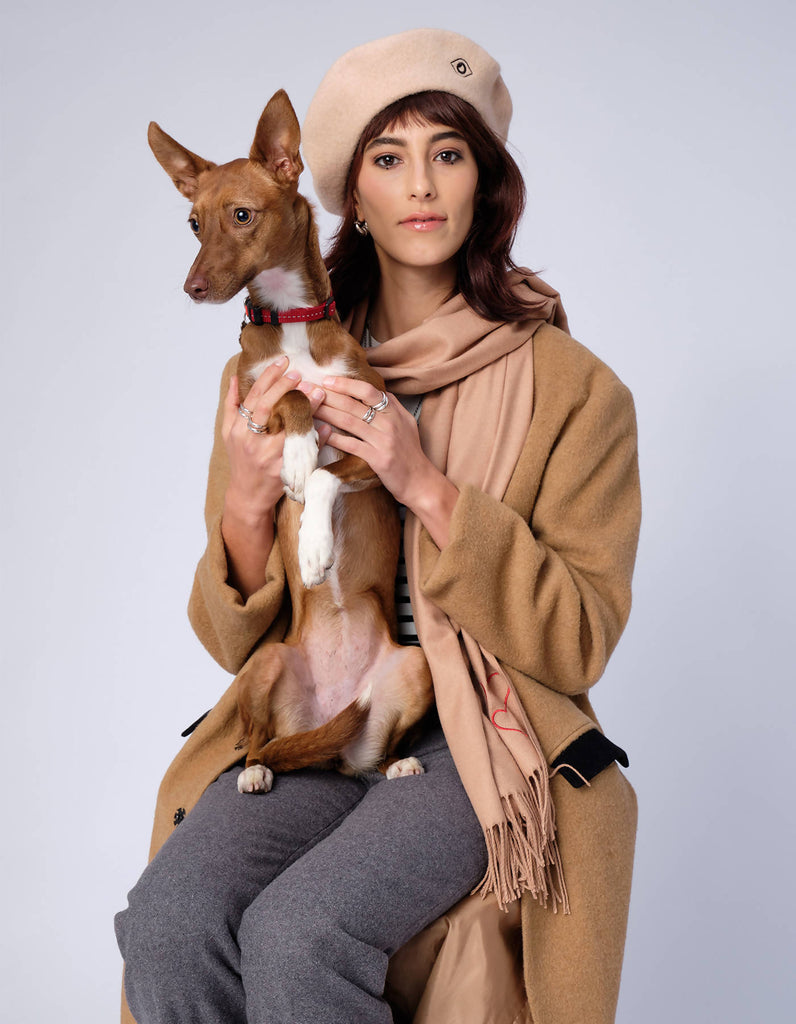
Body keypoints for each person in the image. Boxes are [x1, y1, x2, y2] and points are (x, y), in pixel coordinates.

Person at [116, 29, 641, 1024]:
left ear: (486, 184)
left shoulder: (576, 393)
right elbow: (233, 638)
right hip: (318, 711)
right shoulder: (267, 365)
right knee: (166, 920)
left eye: (448, 154)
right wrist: (242, 504)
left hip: (479, 733)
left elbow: (579, 637)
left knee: (300, 929)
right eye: (387, 159)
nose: (421, 186)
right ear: (346, 194)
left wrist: (424, 484)